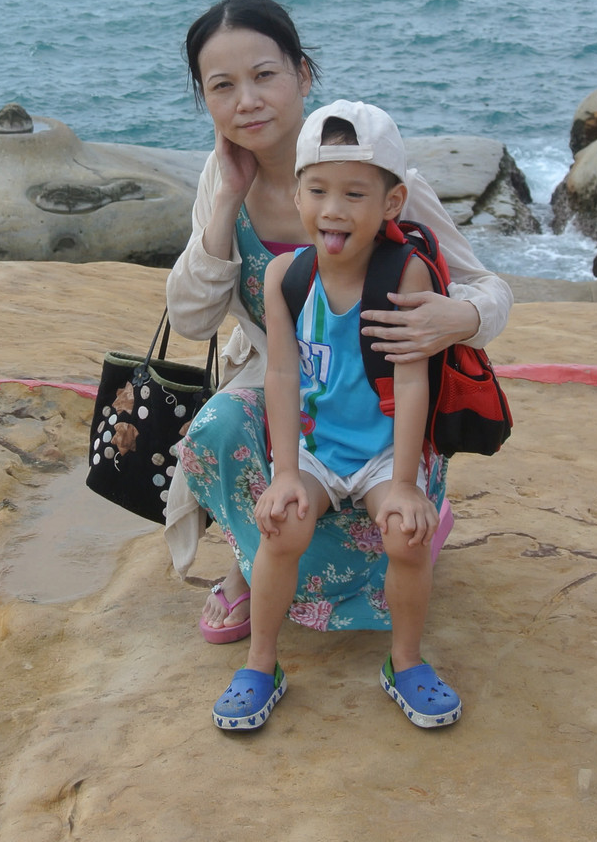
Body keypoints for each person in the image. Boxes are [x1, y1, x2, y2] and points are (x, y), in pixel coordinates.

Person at [162, 0, 512, 648]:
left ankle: (405, 520)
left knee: (381, 513)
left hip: (379, 399)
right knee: (219, 426)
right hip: (284, 382)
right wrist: (227, 200)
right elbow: (191, 317)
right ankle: (251, 563)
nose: (247, 101)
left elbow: (489, 288)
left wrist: (458, 316)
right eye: (222, 86)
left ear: (303, 74)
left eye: (265, 75)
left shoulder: (376, 176)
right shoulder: (223, 176)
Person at [210, 99, 458, 730]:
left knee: (404, 535)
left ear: (392, 203)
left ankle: (405, 662)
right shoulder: (287, 278)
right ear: (297, 196)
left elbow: (413, 379)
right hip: (317, 449)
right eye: (317, 190)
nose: (333, 209)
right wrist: (286, 473)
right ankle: (261, 664)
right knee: (283, 526)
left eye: (354, 193)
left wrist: (405, 483)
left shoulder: (406, 274)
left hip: (382, 453)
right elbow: (282, 374)